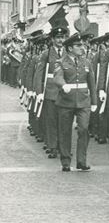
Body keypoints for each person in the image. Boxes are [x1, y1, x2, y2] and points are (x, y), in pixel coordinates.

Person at [52, 33, 98, 171]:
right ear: (70, 48)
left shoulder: (86, 62)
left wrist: (94, 102)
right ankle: (66, 161)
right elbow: (57, 77)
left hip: (84, 102)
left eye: (81, 45)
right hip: (66, 102)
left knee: (84, 129)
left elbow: (92, 84)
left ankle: (81, 161)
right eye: (78, 45)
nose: (81, 47)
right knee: (65, 132)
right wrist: (63, 85)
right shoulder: (61, 62)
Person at [34, 27, 68, 159]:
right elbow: (39, 74)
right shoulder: (46, 54)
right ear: (53, 39)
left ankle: (63, 147)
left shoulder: (68, 52)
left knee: (64, 121)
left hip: (65, 92)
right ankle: (52, 146)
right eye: (58, 38)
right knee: (52, 120)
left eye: (63, 37)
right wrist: (39, 91)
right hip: (51, 91)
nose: (61, 40)